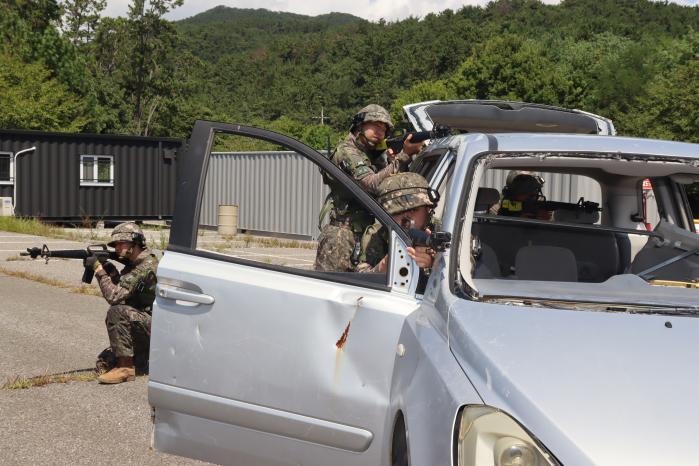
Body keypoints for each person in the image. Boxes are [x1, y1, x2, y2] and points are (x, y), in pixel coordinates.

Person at [314, 104, 423, 272]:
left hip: (364, 233)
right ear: (359, 125)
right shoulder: (347, 152)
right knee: (332, 290)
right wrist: (403, 156)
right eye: (376, 126)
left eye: (384, 129)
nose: (380, 132)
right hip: (342, 236)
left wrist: (390, 160)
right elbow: (371, 184)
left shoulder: (370, 156)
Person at [87, 222, 159, 384]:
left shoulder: (145, 267)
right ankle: (139, 360)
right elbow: (127, 292)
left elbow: (114, 296)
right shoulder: (136, 264)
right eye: (115, 244)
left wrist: (99, 271)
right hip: (150, 325)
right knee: (105, 360)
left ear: (135, 243)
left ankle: (125, 368)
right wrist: (112, 273)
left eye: (121, 243)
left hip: (158, 328)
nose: (117, 248)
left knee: (117, 311)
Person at [356, 172, 438, 273]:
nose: (407, 220)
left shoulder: (442, 231)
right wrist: (385, 265)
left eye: (414, 210)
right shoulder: (377, 235)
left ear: (427, 209)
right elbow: (362, 278)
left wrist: (434, 264)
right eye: (398, 212)